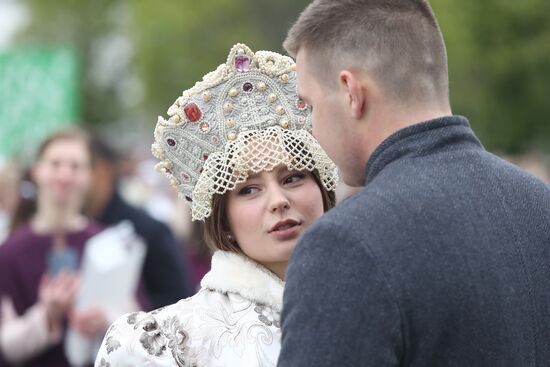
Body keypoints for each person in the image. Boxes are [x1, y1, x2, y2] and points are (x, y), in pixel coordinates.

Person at [277, 1, 550, 366]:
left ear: (350, 92)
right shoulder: (539, 203)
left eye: (310, 105)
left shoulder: (346, 242)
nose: (312, 127)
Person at [94, 43, 338, 366]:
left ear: (323, 188)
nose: (279, 201)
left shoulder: (379, 301)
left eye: (292, 178)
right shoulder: (166, 343)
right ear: (223, 220)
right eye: (249, 190)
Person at [0, 129, 104, 366]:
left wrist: (104, 320)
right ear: (37, 171)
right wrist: (46, 316)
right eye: (56, 164)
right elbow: (5, 344)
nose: (65, 175)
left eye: (76, 166)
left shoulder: (107, 244)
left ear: (89, 176)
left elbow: (135, 319)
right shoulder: (8, 253)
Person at [86, 137, 193, 309]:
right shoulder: (72, 231)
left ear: (102, 171)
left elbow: (179, 301)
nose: (66, 178)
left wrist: (125, 314)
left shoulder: (149, 231)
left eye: (76, 167)